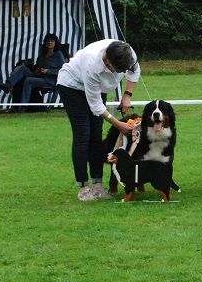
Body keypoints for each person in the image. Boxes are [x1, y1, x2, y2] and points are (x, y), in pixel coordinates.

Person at [56, 39, 139, 201]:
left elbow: (135, 71)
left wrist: (127, 96)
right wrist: (118, 124)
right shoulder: (91, 65)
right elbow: (96, 106)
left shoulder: (127, 53)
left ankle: (98, 185)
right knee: (83, 134)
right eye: (116, 70)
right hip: (72, 86)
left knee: (96, 135)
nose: (117, 73)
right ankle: (83, 188)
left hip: (97, 87)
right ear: (106, 60)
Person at [0, 33, 67, 109]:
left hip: (50, 80)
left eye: (52, 41)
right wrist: (37, 69)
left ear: (55, 43)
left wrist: (48, 71)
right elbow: (37, 66)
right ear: (45, 43)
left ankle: (23, 106)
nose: (49, 43)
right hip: (39, 76)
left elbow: (62, 70)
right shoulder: (42, 55)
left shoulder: (59, 55)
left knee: (29, 80)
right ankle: (8, 85)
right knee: (23, 68)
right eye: (48, 41)